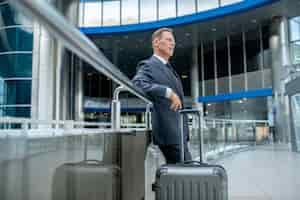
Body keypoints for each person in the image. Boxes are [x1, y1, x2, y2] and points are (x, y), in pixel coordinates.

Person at [132, 27, 192, 164]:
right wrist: (167, 92)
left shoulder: (168, 68)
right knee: (186, 173)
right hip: (169, 134)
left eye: (174, 42)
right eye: (169, 40)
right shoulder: (148, 65)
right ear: (156, 43)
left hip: (178, 133)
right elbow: (137, 83)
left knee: (182, 175)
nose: (173, 44)